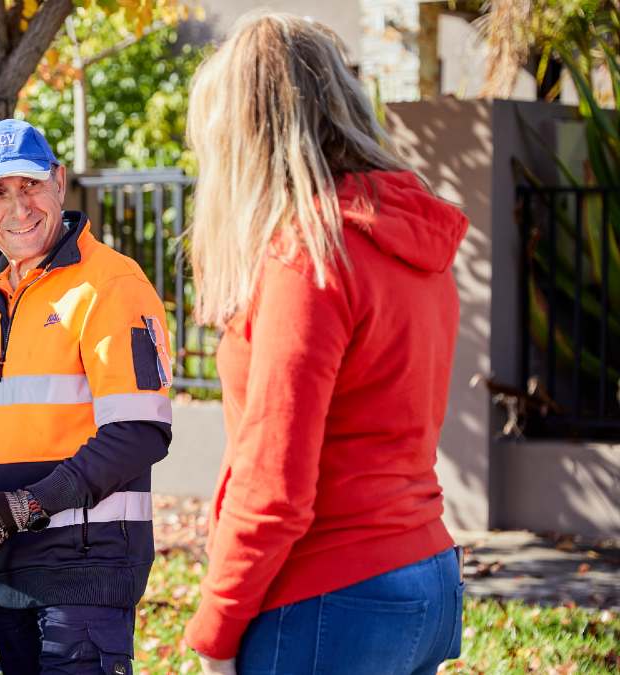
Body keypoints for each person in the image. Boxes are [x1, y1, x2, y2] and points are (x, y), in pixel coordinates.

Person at [182, 13, 468, 675]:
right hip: (422, 575)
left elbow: (276, 482)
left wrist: (215, 630)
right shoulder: (407, 237)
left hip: (329, 591)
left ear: (245, 132)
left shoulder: (309, 255)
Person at [0, 119, 174, 675]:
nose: (18, 208)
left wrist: (24, 507)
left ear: (59, 180)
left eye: (29, 185)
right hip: (7, 570)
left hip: (85, 571)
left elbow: (139, 433)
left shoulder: (112, 284)